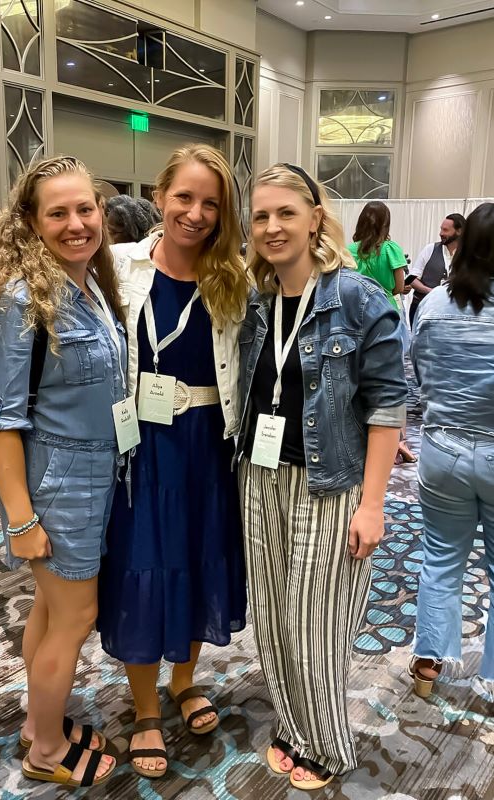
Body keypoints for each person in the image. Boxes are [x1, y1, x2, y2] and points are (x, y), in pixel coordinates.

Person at [0, 156, 123, 788]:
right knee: (74, 619)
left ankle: (37, 723)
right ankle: (47, 751)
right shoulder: (21, 300)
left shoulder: (87, 284)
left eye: (86, 209)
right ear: (30, 221)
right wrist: (22, 518)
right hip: (58, 483)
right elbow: (1, 421)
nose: (77, 223)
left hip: (96, 474)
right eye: (59, 212)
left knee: (52, 614)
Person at [237, 164, 406, 790]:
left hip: (330, 486)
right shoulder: (255, 300)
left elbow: (388, 407)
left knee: (317, 624)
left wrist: (373, 505)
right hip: (259, 479)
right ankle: (292, 725)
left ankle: (326, 744)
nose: (273, 227)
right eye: (261, 216)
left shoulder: (359, 298)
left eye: (286, 213)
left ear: (315, 217)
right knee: (276, 619)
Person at [97, 143, 248, 779]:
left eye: (210, 203)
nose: (195, 213)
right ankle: (145, 710)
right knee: (143, 564)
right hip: (142, 443)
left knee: (195, 556)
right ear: (159, 196)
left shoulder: (234, 273)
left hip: (208, 442)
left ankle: (185, 680)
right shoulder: (117, 263)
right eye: (184, 197)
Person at [409, 202, 494, 704]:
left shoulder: (435, 305)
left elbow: (417, 374)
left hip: (442, 450)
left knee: (440, 560)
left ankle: (425, 667)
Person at [348, 201, 415, 464]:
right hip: (386, 313)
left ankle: (364, 435)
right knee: (393, 380)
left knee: (358, 376)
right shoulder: (391, 248)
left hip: (356, 316)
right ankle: (399, 441)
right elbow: (399, 286)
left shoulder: (350, 249)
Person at [408, 213, 465, 327]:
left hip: (453, 313)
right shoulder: (430, 249)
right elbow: (411, 279)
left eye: (445, 230)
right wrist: (431, 292)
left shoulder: (467, 255)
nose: (441, 233)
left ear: (459, 231)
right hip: (424, 309)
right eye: (441, 229)